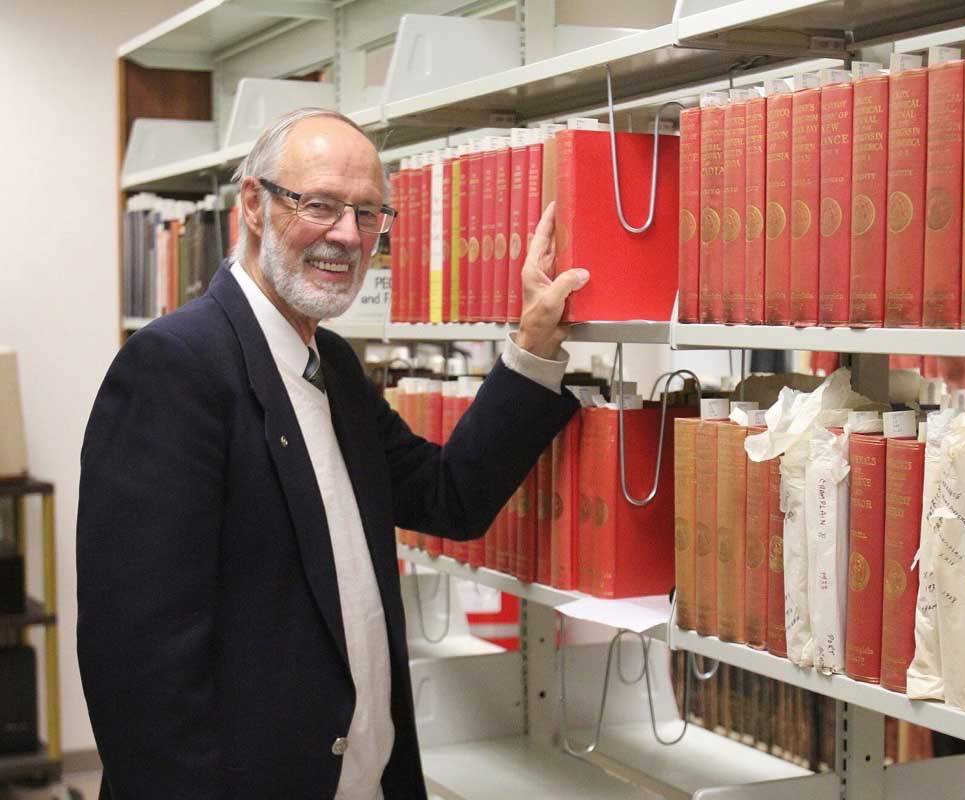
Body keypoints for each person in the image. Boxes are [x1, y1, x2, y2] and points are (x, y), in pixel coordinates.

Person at [77, 108, 590, 799]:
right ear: (253, 204)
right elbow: (137, 665)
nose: (346, 236)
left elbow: (448, 497)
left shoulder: (335, 368)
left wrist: (531, 346)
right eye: (318, 205)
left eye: (368, 214)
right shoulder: (176, 368)